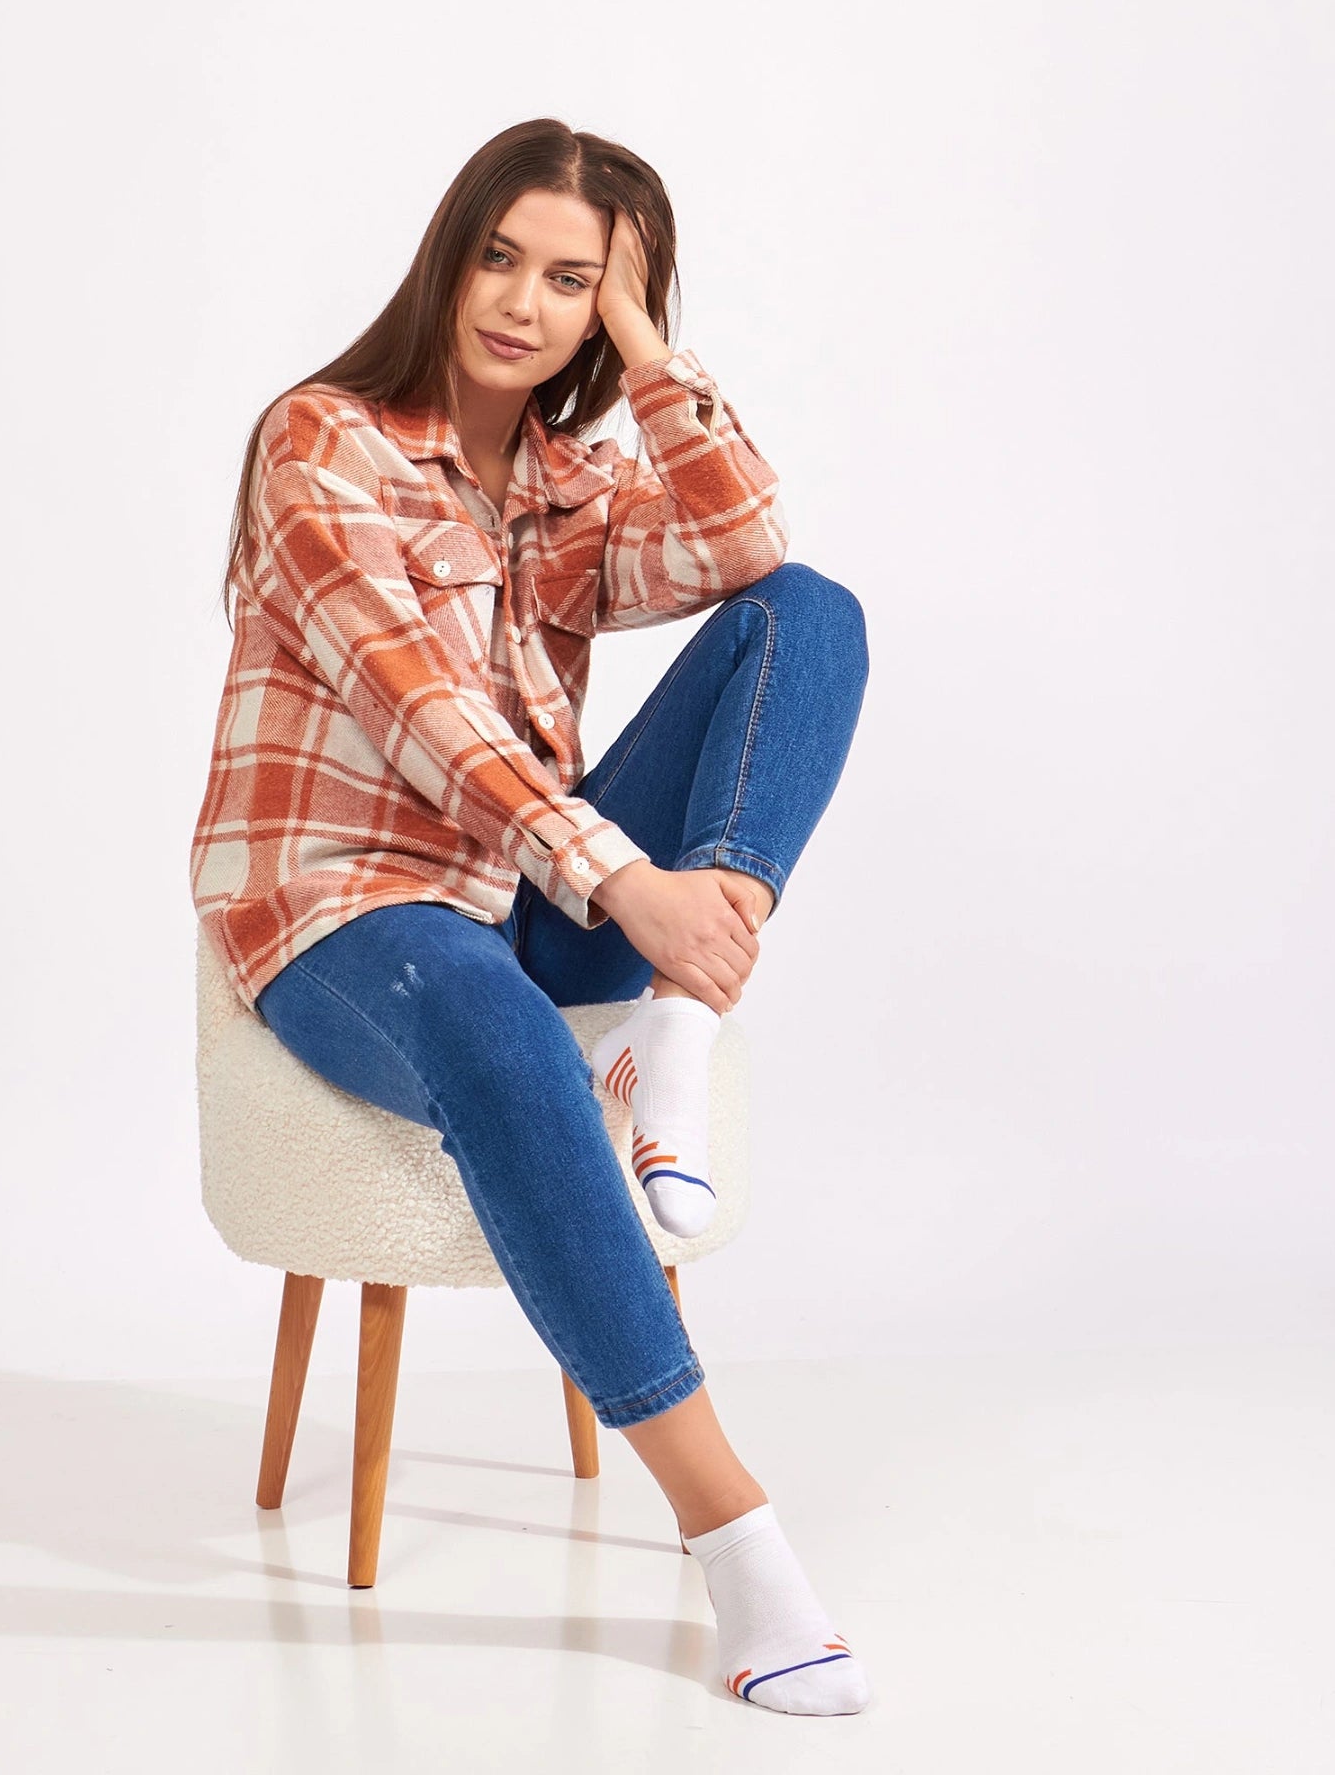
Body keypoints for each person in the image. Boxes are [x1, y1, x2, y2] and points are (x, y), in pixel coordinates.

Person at [189, 118, 872, 1715]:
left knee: (811, 616)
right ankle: (735, 1534)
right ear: (449, 254)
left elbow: (747, 549)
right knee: (494, 1015)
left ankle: (672, 1027)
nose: (522, 302)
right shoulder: (322, 441)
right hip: (342, 908)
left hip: (522, 893)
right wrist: (628, 883)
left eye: (574, 280)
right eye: (501, 257)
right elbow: (428, 715)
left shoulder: (571, 476)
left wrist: (650, 350)